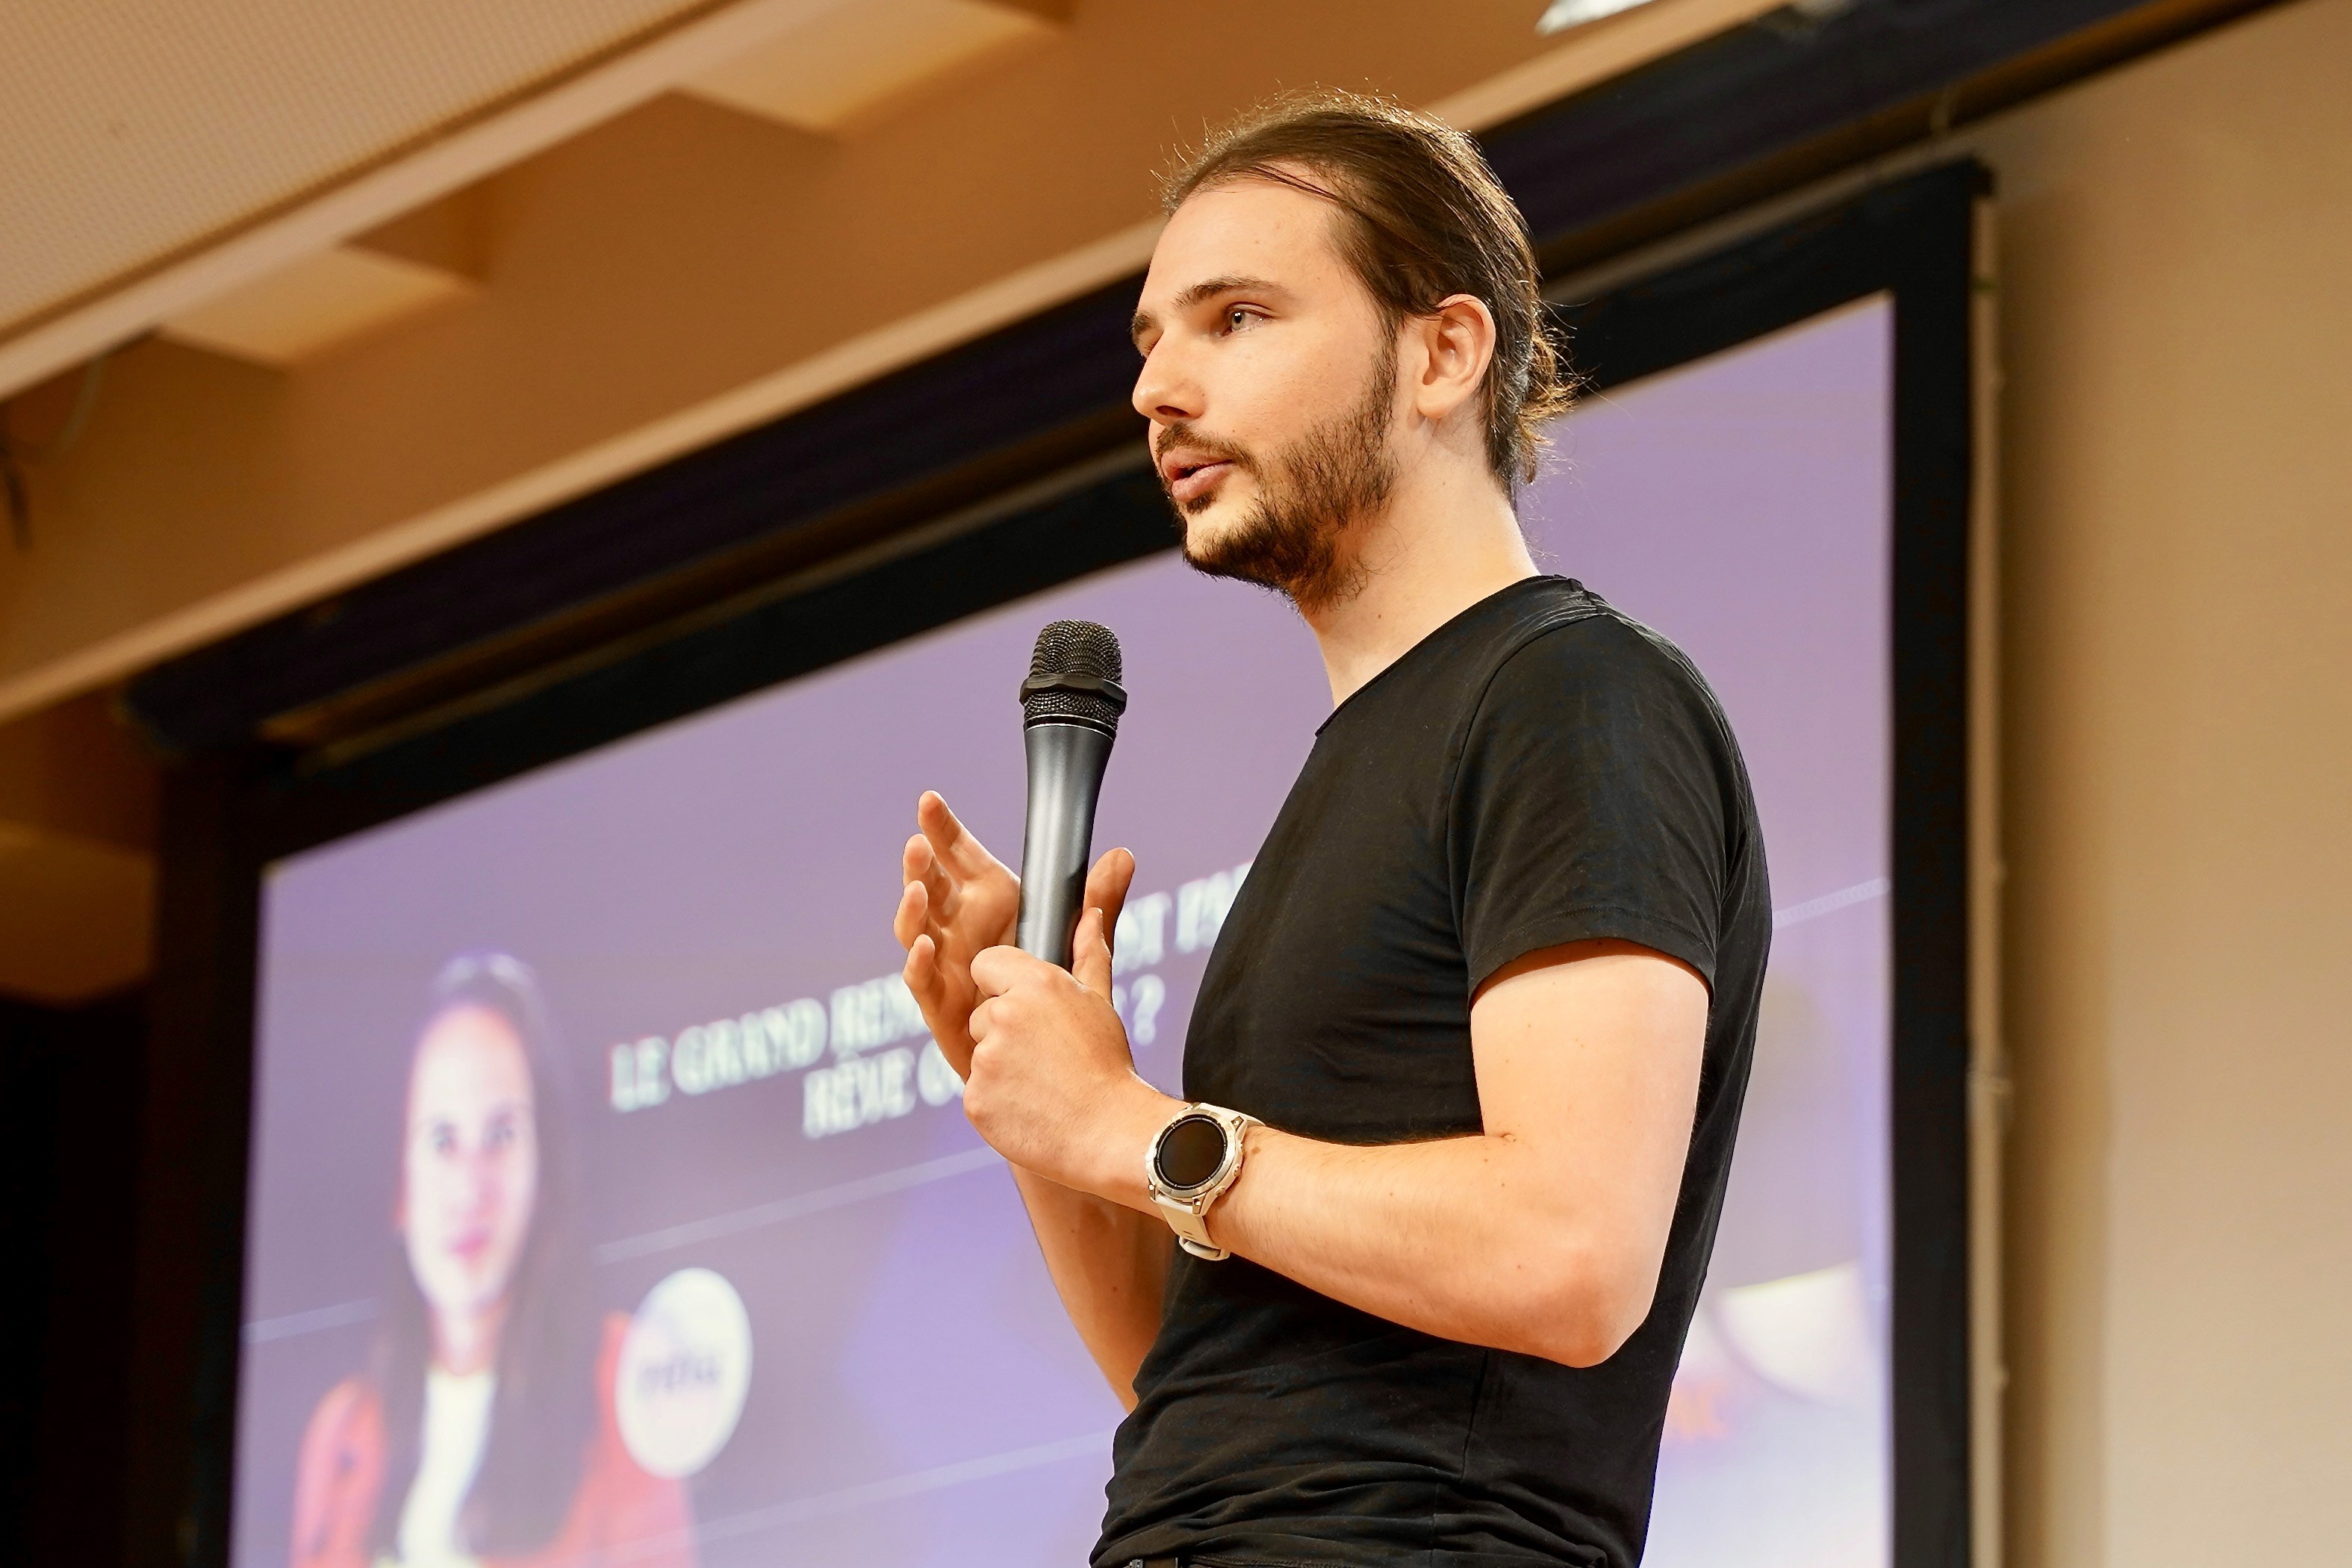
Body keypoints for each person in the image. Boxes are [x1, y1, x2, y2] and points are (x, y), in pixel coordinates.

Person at [893, 91, 1770, 1568]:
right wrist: (1049, 1107)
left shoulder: (1571, 695)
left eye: (1236, 317)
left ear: (1444, 351)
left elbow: (1572, 1250)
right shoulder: (1356, 771)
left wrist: (1139, 1126)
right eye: (1150, 341)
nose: (1158, 390)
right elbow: (1198, 1384)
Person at [290, 953, 694, 1568]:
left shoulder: (624, 1384)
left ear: (545, 1172)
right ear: (401, 1184)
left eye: (502, 1135)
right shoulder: (344, 1432)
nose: (471, 1186)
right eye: (443, 1141)